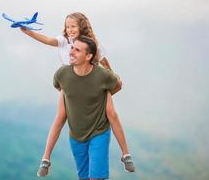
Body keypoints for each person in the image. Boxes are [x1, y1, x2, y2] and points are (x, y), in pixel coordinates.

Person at [20, 12, 135, 177]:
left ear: (81, 27)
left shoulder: (92, 45)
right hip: (70, 85)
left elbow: (104, 62)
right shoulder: (64, 42)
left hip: (94, 83)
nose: (70, 29)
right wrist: (29, 32)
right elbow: (48, 40)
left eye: (73, 26)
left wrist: (110, 77)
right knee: (60, 118)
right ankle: (46, 159)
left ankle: (126, 155)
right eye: (67, 26)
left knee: (111, 113)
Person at [53, 35, 130, 179]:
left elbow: (118, 84)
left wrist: (99, 97)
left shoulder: (103, 76)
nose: (71, 52)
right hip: (77, 135)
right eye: (72, 48)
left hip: (99, 130)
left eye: (77, 50)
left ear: (88, 56)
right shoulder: (62, 74)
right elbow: (62, 89)